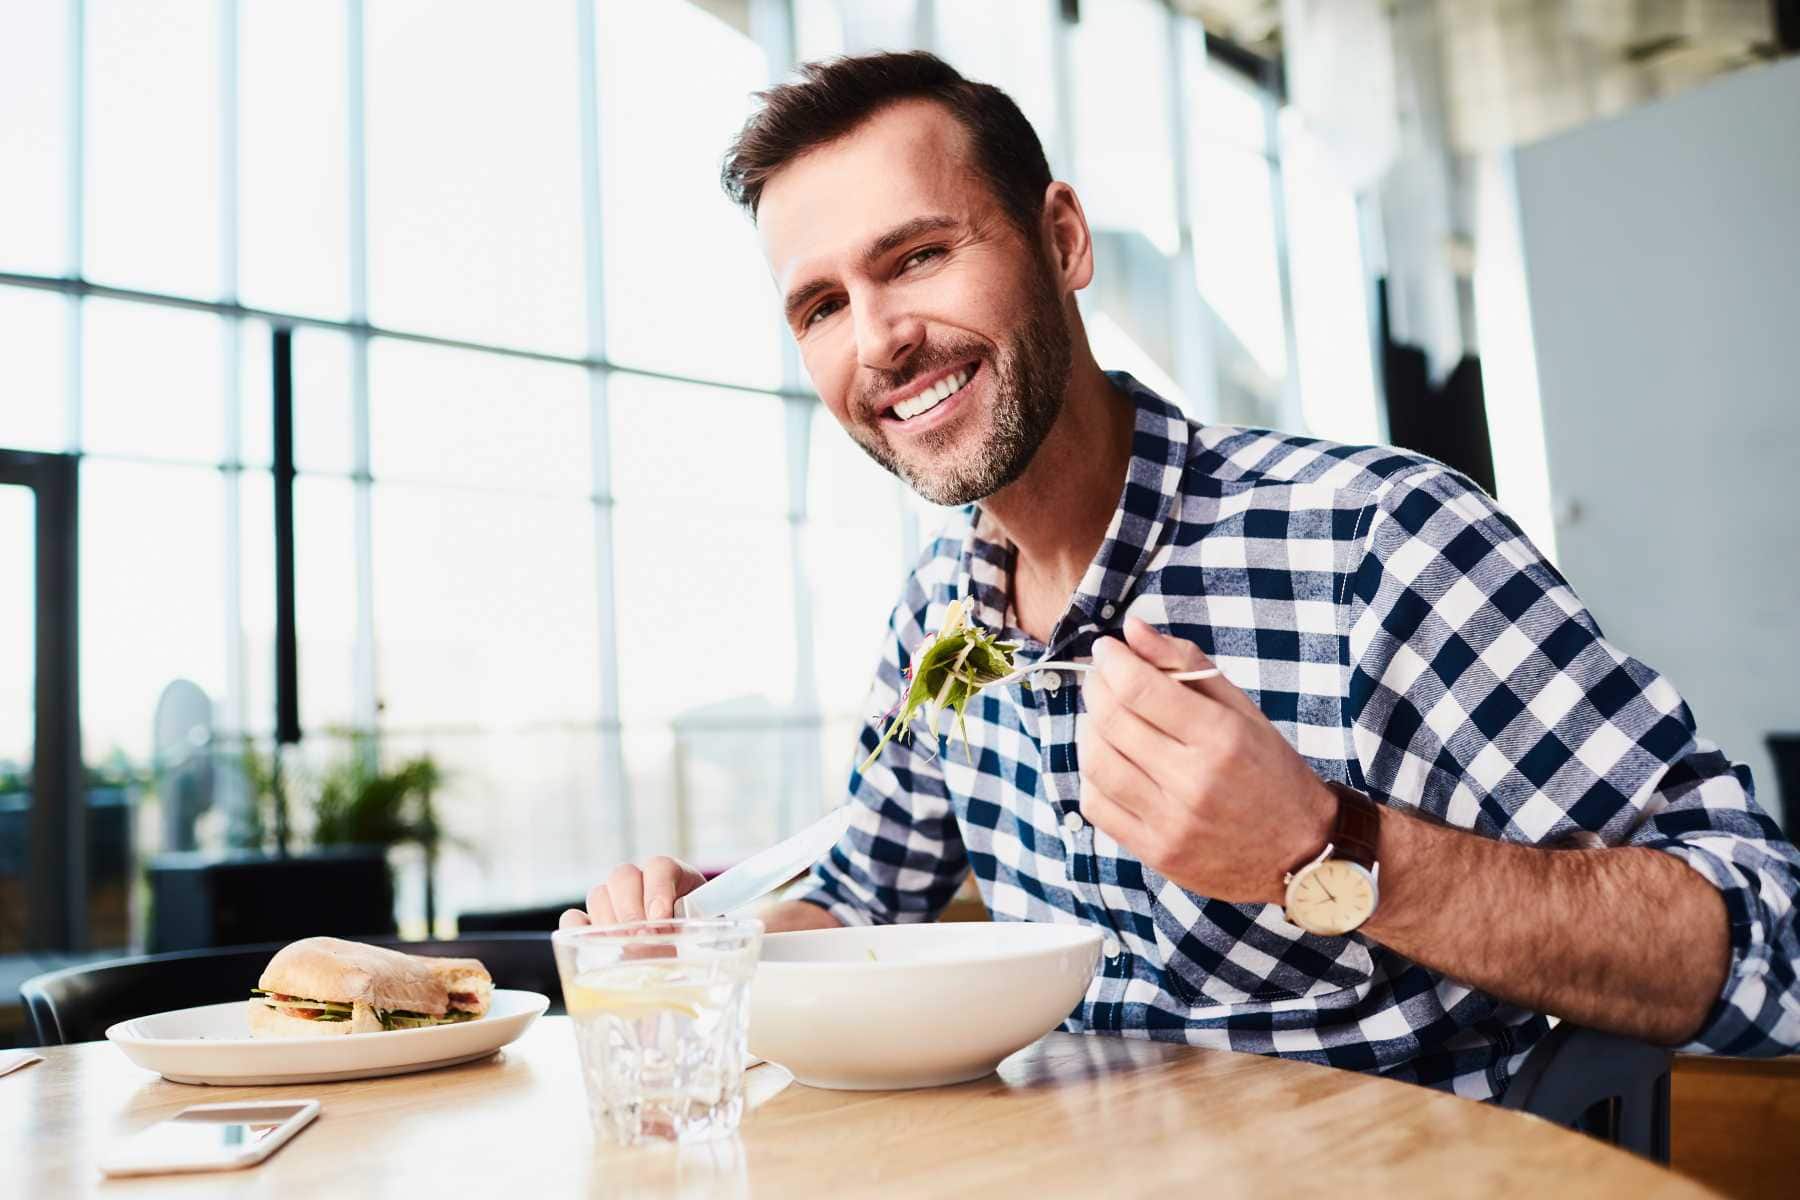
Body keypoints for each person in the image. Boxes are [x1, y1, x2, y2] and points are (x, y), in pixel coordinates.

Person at [564, 52, 1799, 1097]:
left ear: (1062, 240)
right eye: (823, 305)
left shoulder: (1374, 544)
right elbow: (851, 906)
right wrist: (698, 943)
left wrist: (1325, 846)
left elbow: (1763, 942)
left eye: (921, 256)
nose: (879, 339)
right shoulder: (939, 623)